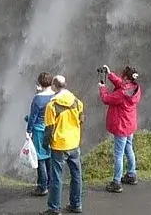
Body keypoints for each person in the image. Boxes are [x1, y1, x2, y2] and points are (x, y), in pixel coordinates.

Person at [41, 74, 84, 215]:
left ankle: (54, 208)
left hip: (59, 145)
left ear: (53, 86)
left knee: (57, 177)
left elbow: (49, 129)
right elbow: (81, 119)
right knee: (76, 174)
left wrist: (44, 144)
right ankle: (76, 204)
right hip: (74, 143)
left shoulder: (52, 105)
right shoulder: (77, 101)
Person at [98, 64, 143, 192]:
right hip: (130, 124)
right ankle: (131, 174)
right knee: (129, 147)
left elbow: (106, 98)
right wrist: (109, 74)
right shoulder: (135, 88)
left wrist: (102, 88)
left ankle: (116, 182)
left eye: (123, 76)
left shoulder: (121, 94)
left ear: (127, 78)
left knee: (118, 154)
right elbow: (121, 84)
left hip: (121, 126)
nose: (121, 78)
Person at [24, 71, 58, 196]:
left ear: (39, 84)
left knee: (40, 158)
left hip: (39, 131)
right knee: (49, 156)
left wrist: (28, 131)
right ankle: (50, 183)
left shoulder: (37, 99)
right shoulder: (55, 96)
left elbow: (33, 117)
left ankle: (42, 186)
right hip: (51, 129)